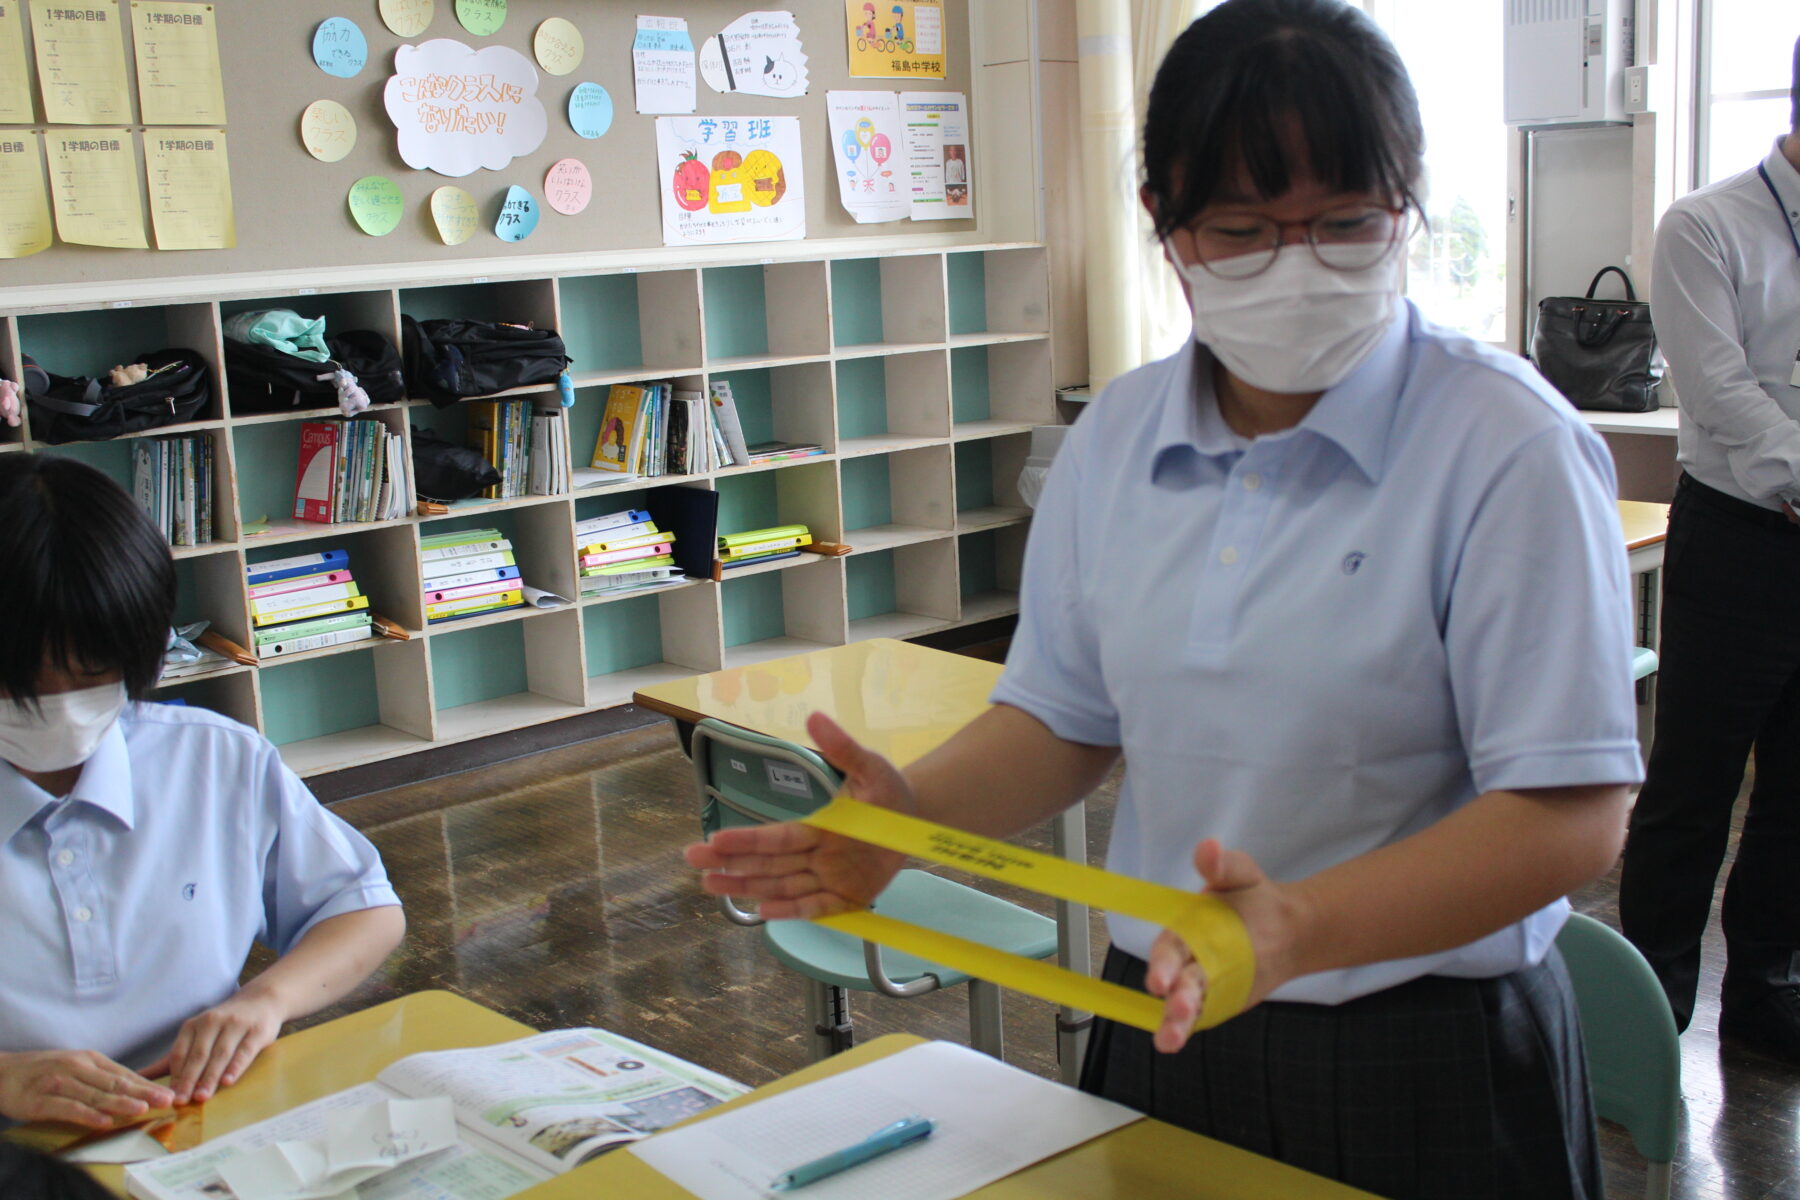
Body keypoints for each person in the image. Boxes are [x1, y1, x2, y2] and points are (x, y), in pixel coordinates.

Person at [687, 1, 1642, 1196]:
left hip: (1427, 1046)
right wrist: (906, 819)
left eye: (1346, 223)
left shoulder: (1505, 447)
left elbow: (1568, 815)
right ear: (1166, 227)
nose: (1299, 265)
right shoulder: (1121, 437)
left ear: (1408, 210)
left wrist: (1295, 927)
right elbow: (1061, 723)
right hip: (1168, 1024)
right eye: (1244, 229)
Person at [0, 454, 405, 1129]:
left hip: (198, 1125)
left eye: (93, 673)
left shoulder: (214, 760)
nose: (62, 708)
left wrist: (264, 1000)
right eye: (22, 683)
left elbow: (364, 909)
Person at [1617, 35, 1800, 1058]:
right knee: (1693, 787)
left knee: (1798, 796)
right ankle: (1654, 1014)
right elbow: (1719, 391)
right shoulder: (1707, 224)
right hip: (1739, 541)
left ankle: (1768, 990)